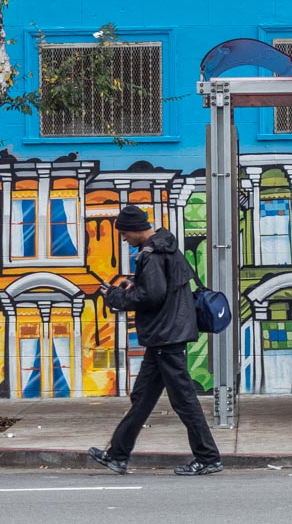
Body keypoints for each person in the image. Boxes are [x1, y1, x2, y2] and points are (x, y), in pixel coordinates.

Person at [88, 204, 222, 476]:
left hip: (165, 337)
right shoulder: (165, 246)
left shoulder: (151, 253)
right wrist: (134, 281)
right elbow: (160, 285)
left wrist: (115, 296)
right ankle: (118, 455)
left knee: (184, 400)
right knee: (143, 397)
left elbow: (152, 296)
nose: (124, 239)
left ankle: (208, 458)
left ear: (136, 230)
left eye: (125, 234)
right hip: (167, 334)